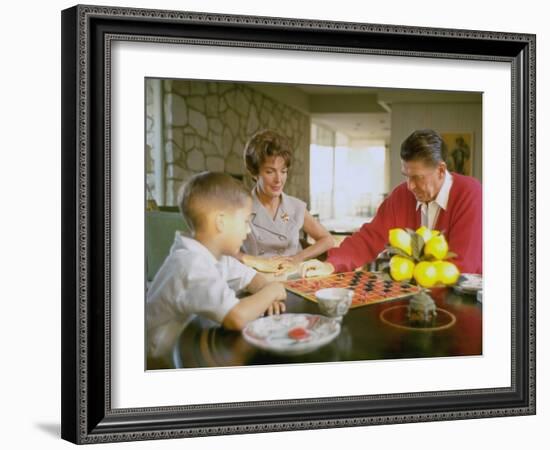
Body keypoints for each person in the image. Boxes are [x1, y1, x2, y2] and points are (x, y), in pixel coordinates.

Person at [146, 172, 287, 360]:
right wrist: (273, 291)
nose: (248, 230)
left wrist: (265, 293)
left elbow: (251, 278)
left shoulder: (216, 256)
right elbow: (236, 317)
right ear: (221, 222)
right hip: (159, 361)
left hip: (191, 341)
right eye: (245, 221)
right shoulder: (191, 265)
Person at [302, 129, 482, 276]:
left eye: (417, 177)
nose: (410, 186)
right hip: (417, 294)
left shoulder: (470, 193)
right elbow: (369, 238)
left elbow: (461, 266)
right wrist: (331, 265)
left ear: (441, 170)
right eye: (407, 176)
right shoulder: (402, 195)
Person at [239, 129, 334, 272]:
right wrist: (254, 261)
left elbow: (327, 240)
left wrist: (298, 258)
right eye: (270, 172)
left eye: (283, 171)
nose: (279, 179)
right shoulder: (240, 207)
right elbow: (221, 251)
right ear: (254, 173)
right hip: (256, 280)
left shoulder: (295, 206)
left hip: (293, 278)